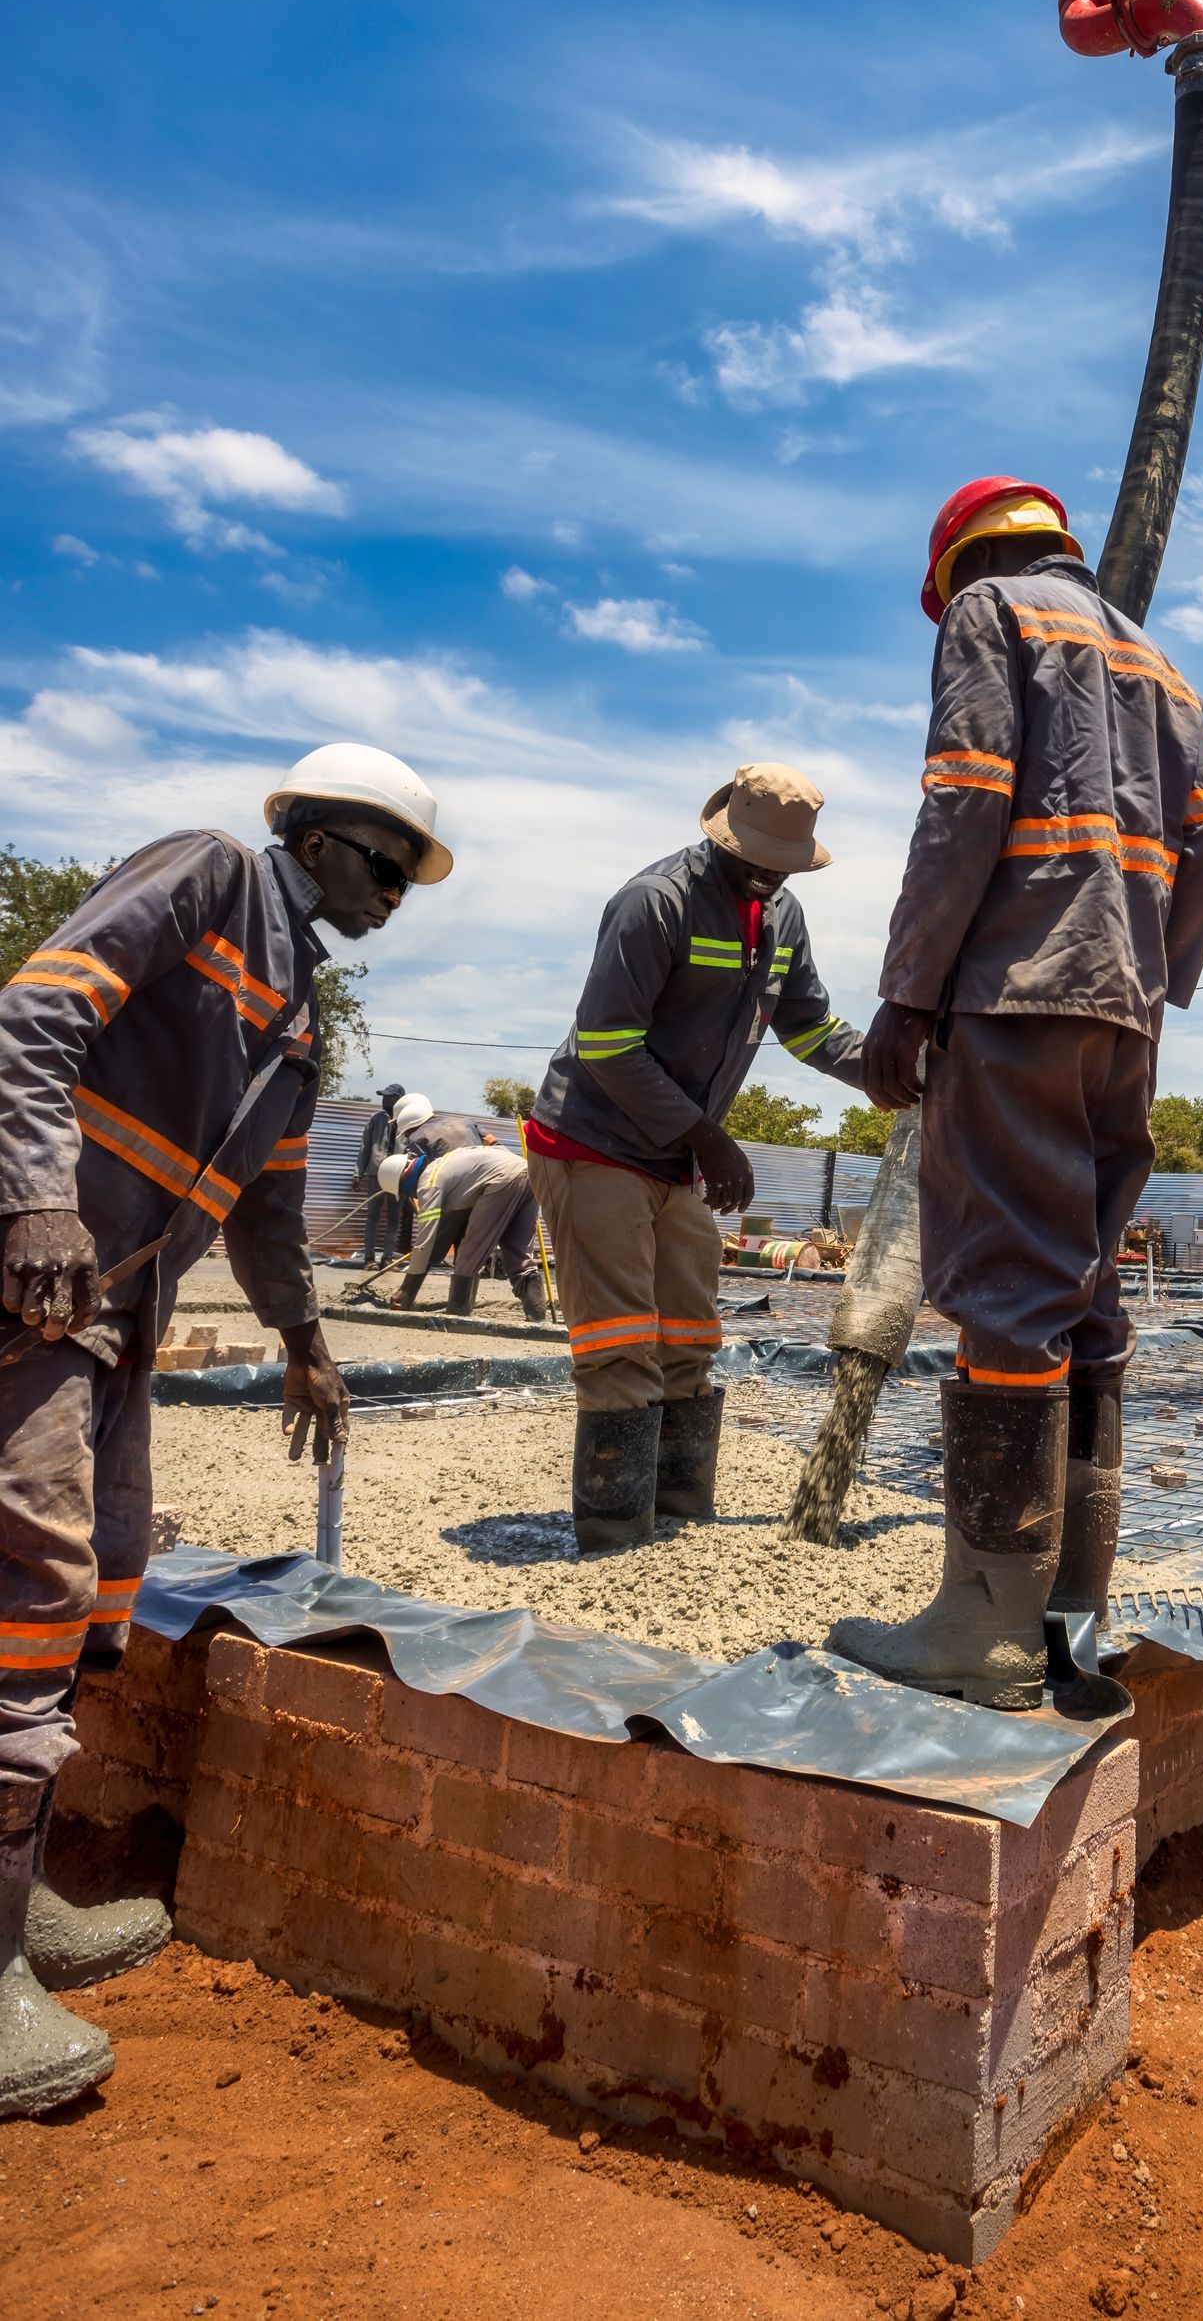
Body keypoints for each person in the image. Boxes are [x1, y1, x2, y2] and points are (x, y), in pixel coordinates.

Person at [0, 739, 452, 2114]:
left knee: (100, 1589)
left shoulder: (302, 1007)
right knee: (27, 1581)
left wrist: (305, 1340)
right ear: (314, 835)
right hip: (38, 1285)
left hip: (119, 1311)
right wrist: (34, 1198)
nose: (393, 895)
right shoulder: (203, 877)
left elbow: (261, 1204)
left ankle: (18, 1908)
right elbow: (31, 1023)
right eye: (383, 865)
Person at [830, 479, 1203, 1708]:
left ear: (957, 563)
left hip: (1016, 991)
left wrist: (908, 994)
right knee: (1086, 1284)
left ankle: (985, 1627)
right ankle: (1074, 1606)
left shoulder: (989, 613)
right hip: (1124, 1010)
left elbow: (963, 800)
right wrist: (1151, 974)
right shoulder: (1154, 659)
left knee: (1009, 1285)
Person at [525, 763, 874, 1553]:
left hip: (672, 1155)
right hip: (595, 1141)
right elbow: (608, 1044)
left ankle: (681, 1520)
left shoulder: (782, 917)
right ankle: (615, 1533)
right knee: (619, 1342)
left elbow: (812, 1028)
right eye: (753, 860)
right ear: (722, 835)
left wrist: (886, 1073)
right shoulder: (657, 903)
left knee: (687, 1334)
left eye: (780, 867)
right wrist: (708, 1137)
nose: (765, 876)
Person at [380, 1141, 544, 1319]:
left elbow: (426, 1238)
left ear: (404, 1181)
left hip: (502, 1180)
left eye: (406, 1193)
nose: (412, 1197)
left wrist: (406, 1289)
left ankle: (457, 1313)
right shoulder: (444, 1163)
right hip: (528, 1174)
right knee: (518, 1252)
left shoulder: (428, 1183)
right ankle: (537, 1317)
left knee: (470, 1251)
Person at [348, 1083, 406, 1267]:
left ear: (398, 1099)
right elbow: (365, 1146)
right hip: (376, 1173)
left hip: (399, 1174)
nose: (383, 1100)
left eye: (388, 1097)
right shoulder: (376, 1118)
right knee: (372, 1216)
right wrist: (358, 1172)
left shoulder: (408, 1120)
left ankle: (388, 1258)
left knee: (394, 1217)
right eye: (383, 1096)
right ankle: (369, 1259)